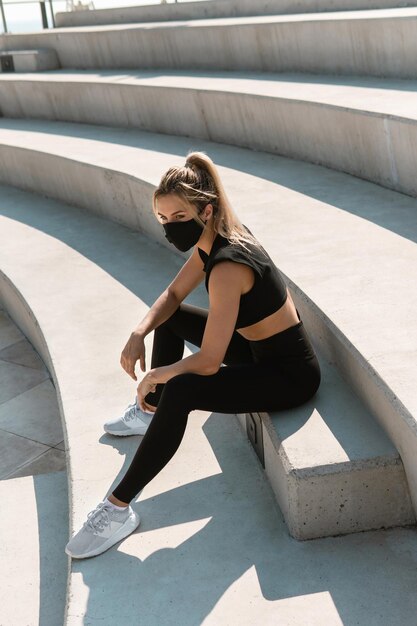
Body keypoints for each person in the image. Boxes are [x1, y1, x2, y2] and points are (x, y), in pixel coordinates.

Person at [65, 151, 321, 559]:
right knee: (169, 318)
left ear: (206, 209)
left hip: (287, 376)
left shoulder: (228, 265)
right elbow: (172, 296)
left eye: (179, 218)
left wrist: (157, 376)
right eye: (163, 220)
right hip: (257, 351)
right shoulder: (214, 239)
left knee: (182, 389)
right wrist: (138, 332)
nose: (171, 228)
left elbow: (207, 361)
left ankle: (117, 509)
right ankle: (149, 414)